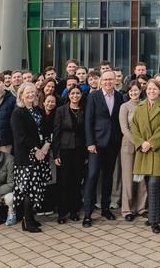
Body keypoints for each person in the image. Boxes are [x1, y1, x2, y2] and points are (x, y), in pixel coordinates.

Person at [131, 80, 160, 234]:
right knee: (149, 183)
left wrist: (151, 143)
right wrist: (141, 142)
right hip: (143, 151)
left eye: (154, 89)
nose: (151, 91)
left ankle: (153, 220)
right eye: (149, 89)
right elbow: (134, 127)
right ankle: (159, 215)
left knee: (154, 184)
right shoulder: (140, 107)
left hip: (158, 150)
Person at [82, 70, 124, 227]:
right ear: (100, 81)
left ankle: (106, 209)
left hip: (112, 144)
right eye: (105, 80)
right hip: (96, 144)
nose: (108, 82)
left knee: (108, 177)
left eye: (110, 80)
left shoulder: (119, 97)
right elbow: (88, 120)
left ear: (115, 81)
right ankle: (87, 213)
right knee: (92, 177)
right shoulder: (93, 96)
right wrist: (90, 142)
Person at [10, 83, 52, 232]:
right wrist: (36, 150)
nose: (31, 95)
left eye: (33, 92)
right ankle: (27, 221)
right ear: (21, 94)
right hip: (26, 156)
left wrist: (46, 146)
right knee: (28, 189)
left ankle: (31, 218)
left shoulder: (37, 110)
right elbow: (20, 137)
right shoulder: (17, 113)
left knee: (37, 188)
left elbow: (46, 129)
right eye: (27, 92)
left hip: (40, 155)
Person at [52, 85, 87, 223]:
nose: (75, 96)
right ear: (69, 95)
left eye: (78, 93)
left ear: (81, 95)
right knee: (64, 182)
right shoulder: (61, 110)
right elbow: (56, 133)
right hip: (64, 150)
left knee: (76, 182)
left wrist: (85, 155)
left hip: (79, 151)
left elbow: (85, 133)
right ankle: (62, 213)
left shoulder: (84, 110)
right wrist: (56, 154)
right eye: (72, 93)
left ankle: (74, 211)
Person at [118, 81, 147, 221]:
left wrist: (144, 143)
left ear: (140, 91)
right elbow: (124, 129)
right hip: (129, 147)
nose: (133, 93)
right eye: (131, 91)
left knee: (140, 178)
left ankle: (141, 208)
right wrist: (139, 143)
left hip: (143, 148)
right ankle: (127, 210)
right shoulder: (124, 107)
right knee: (128, 179)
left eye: (136, 90)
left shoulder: (145, 104)